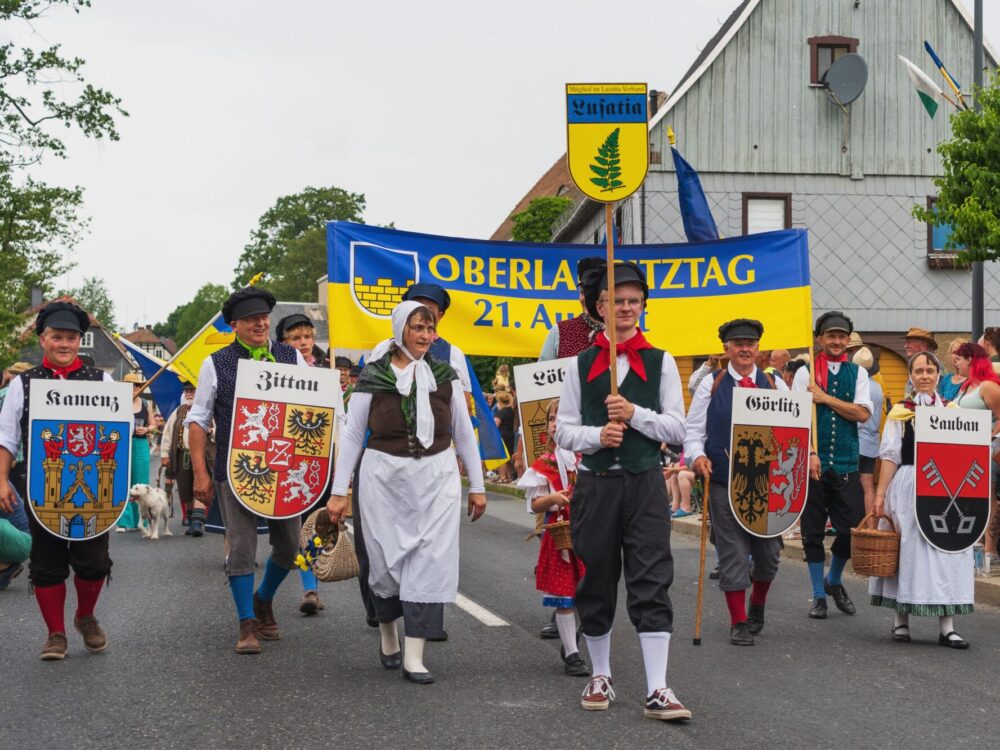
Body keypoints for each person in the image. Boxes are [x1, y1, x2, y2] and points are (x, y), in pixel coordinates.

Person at [555, 260, 691, 721]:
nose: (627, 308)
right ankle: (600, 673)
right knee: (595, 576)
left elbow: (676, 427)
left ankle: (658, 687)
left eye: (634, 301)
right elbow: (563, 431)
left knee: (651, 574)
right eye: (617, 301)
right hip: (595, 485)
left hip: (645, 482)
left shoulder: (661, 361)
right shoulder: (580, 364)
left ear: (643, 306)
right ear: (600, 306)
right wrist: (597, 436)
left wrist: (635, 415)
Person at [325, 301, 486, 684]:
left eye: (430, 330)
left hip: (436, 478)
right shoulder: (375, 376)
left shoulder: (445, 376)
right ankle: (387, 633)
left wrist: (477, 486)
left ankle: (416, 656)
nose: (426, 336)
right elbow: (352, 433)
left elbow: (463, 433)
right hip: (383, 478)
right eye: (418, 328)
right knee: (381, 561)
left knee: (430, 560)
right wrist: (338, 490)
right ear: (401, 331)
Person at [185, 287, 307, 654]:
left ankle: (263, 598)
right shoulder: (216, 363)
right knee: (241, 548)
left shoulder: (291, 357)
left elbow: (316, 407)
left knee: (288, 548)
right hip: (235, 467)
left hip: (284, 465)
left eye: (264, 316)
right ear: (234, 324)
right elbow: (197, 419)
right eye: (251, 318)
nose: (260, 322)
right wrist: (200, 476)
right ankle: (247, 623)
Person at [0, 301, 115, 660]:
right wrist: (1, 479)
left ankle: (85, 616)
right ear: (43, 339)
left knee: (94, 562)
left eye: (71, 338)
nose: (64, 344)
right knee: (47, 562)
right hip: (41, 484)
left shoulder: (103, 381)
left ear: (79, 340)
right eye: (57, 337)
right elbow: (6, 438)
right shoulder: (23, 383)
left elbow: (117, 436)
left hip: (94, 484)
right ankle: (56, 634)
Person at [685, 318, 786, 646]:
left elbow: (794, 430)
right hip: (724, 481)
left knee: (769, 554)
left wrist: (808, 454)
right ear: (727, 349)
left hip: (768, 483)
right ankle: (738, 621)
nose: (745, 348)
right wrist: (697, 456)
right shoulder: (710, 384)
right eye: (738, 343)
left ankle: (757, 604)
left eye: (751, 343)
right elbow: (693, 430)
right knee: (733, 553)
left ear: (758, 349)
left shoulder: (775, 385)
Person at [870, 351, 973, 648]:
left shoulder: (953, 411)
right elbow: (889, 456)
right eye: (919, 371)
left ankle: (948, 627)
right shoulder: (901, 411)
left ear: (938, 375)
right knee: (908, 550)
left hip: (945, 487)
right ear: (911, 376)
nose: (925, 375)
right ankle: (901, 622)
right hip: (908, 484)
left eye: (930, 370)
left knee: (946, 550)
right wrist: (880, 495)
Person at [793, 311, 872, 620]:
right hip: (812, 463)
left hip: (846, 463)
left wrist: (825, 398)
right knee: (812, 533)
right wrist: (810, 452)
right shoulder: (805, 372)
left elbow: (862, 414)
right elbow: (797, 419)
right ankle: (817, 596)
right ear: (820, 339)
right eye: (831, 336)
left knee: (852, 530)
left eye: (842, 336)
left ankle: (834, 579)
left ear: (847, 340)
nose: (837, 341)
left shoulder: (859, 374)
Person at [517, 398, 589, 677]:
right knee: (563, 595)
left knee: (588, 593)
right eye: (552, 418)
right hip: (560, 535)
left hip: (589, 532)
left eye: (562, 416)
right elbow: (534, 505)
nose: (556, 422)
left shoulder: (588, 458)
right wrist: (552, 498)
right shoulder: (544, 464)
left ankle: (577, 635)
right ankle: (572, 653)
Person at [277, 311, 336, 616]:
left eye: (308, 336)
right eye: (296, 337)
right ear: (284, 342)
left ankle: (312, 585)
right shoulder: (274, 370)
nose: (303, 342)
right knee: (296, 528)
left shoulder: (330, 369)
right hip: (289, 457)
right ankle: (305, 587)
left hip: (323, 457)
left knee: (318, 524)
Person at [952, 342, 1000, 559]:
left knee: (988, 499)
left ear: (970, 359)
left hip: (985, 451)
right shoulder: (965, 386)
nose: (955, 361)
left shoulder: (987, 386)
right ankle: (973, 544)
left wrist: (991, 439)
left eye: (959, 357)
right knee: (971, 499)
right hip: (964, 452)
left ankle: (989, 551)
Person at [537, 256, 606, 362]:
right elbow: (540, 374)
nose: (586, 298)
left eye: (592, 292)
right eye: (583, 292)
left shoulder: (621, 331)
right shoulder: (560, 332)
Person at [116, 373, 155, 533]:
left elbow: (153, 425)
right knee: (123, 481)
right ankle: (124, 522)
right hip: (123, 444)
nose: (133, 389)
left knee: (140, 481)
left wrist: (146, 429)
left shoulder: (146, 403)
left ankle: (142, 520)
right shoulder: (118, 402)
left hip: (140, 444)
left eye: (136, 386)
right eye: (130, 386)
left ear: (140, 388)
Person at [160, 383, 200, 533]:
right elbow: (168, 434)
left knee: (199, 486)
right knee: (184, 488)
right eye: (187, 391)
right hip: (182, 455)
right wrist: (164, 455)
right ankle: (190, 518)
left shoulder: (206, 411)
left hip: (201, 455)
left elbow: (214, 430)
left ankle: (197, 520)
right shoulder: (178, 411)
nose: (189, 394)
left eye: (192, 391)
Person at [853, 347, 884, 528]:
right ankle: (871, 527)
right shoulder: (878, 387)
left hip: (857, 440)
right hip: (872, 442)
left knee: (852, 486)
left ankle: (858, 525)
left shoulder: (858, 386)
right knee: (868, 485)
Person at [494, 388, 518, 483]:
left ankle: (502, 477)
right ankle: (509, 476)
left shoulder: (500, 412)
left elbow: (495, 425)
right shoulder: (512, 412)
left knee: (503, 457)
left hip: (502, 435)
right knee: (509, 456)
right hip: (511, 435)